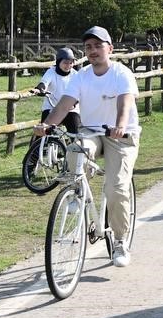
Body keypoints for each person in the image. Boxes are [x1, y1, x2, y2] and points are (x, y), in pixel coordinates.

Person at [33, 26, 140, 268]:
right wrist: (47, 125)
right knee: (75, 148)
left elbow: (125, 103)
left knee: (116, 187)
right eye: (88, 47)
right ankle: (75, 193)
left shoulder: (121, 74)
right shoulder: (81, 77)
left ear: (109, 49)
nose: (92, 51)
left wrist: (120, 126)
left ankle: (121, 241)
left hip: (120, 136)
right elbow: (64, 106)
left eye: (97, 46)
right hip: (91, 131)